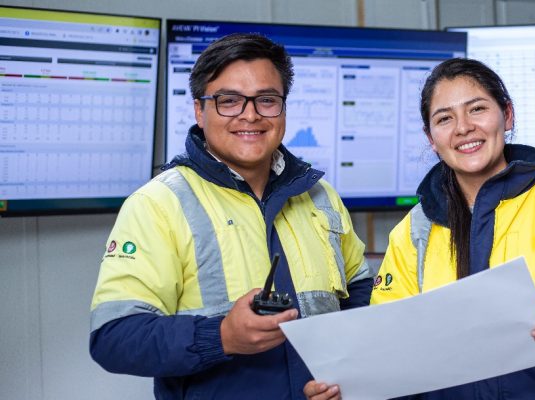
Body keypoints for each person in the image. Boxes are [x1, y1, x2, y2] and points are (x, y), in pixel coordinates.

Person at [304, 58, 535, 400]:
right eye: (444, 118)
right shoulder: (413, 231)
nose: (463, 127)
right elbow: (388, 354)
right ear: (431, 137)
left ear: (507, 114)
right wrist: (347, 388)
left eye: (477, 109)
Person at [89, 33, 373, 399]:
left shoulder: (319, 195)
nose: (250, 115)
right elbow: (114, 337)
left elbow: (359, 295)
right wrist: (222, 336)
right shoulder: (158, 203)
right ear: (198, 110)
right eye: (229, 101)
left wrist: (346, 375)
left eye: (266, 100)